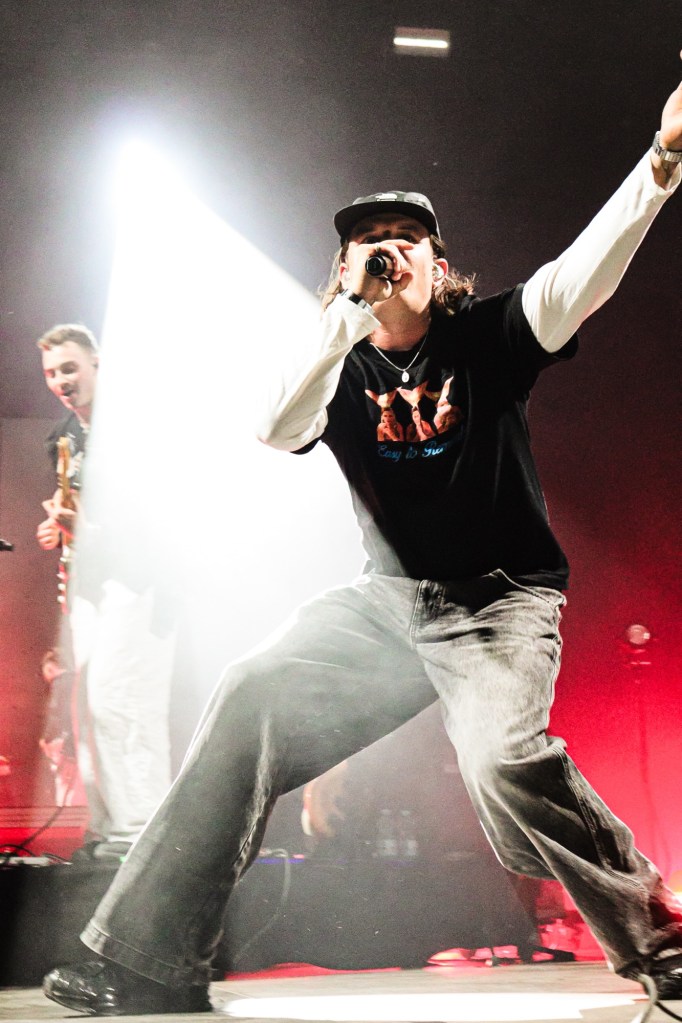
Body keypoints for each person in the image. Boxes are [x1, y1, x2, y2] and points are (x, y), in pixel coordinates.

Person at [43, 72, 682, 1016]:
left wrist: (663, 159)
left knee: (502, 762)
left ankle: (660, 941)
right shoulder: (332, 360)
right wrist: (345, 318)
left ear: (438, 264)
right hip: (386, 605)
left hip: (498, 602)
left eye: (407, 239)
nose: (388, 251)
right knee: (249, 695)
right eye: (368, 242)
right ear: (344, 268)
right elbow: (274, 428)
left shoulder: (492, 336)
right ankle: (149, 961)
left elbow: (581, 272)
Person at [36, 325, 176, 860]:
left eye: (69, 368)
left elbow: (157, 517)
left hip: (139, 582)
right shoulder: (66, 437)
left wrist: (87, 530)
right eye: (52, 373)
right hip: (91, 586)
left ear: (97, 363)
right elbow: (74, 506)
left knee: (124, 701)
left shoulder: (134, 429)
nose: (61, 381)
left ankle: (139, 831)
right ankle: (107, 828)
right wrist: (59, 526)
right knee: (88, 708)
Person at [38, 647, 85, 807]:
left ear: (50, 668)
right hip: (84, 745)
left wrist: (46, 738)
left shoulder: (59, 684)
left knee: (65, 788)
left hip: (67, 746)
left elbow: (56, 715)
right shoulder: (79, 681)